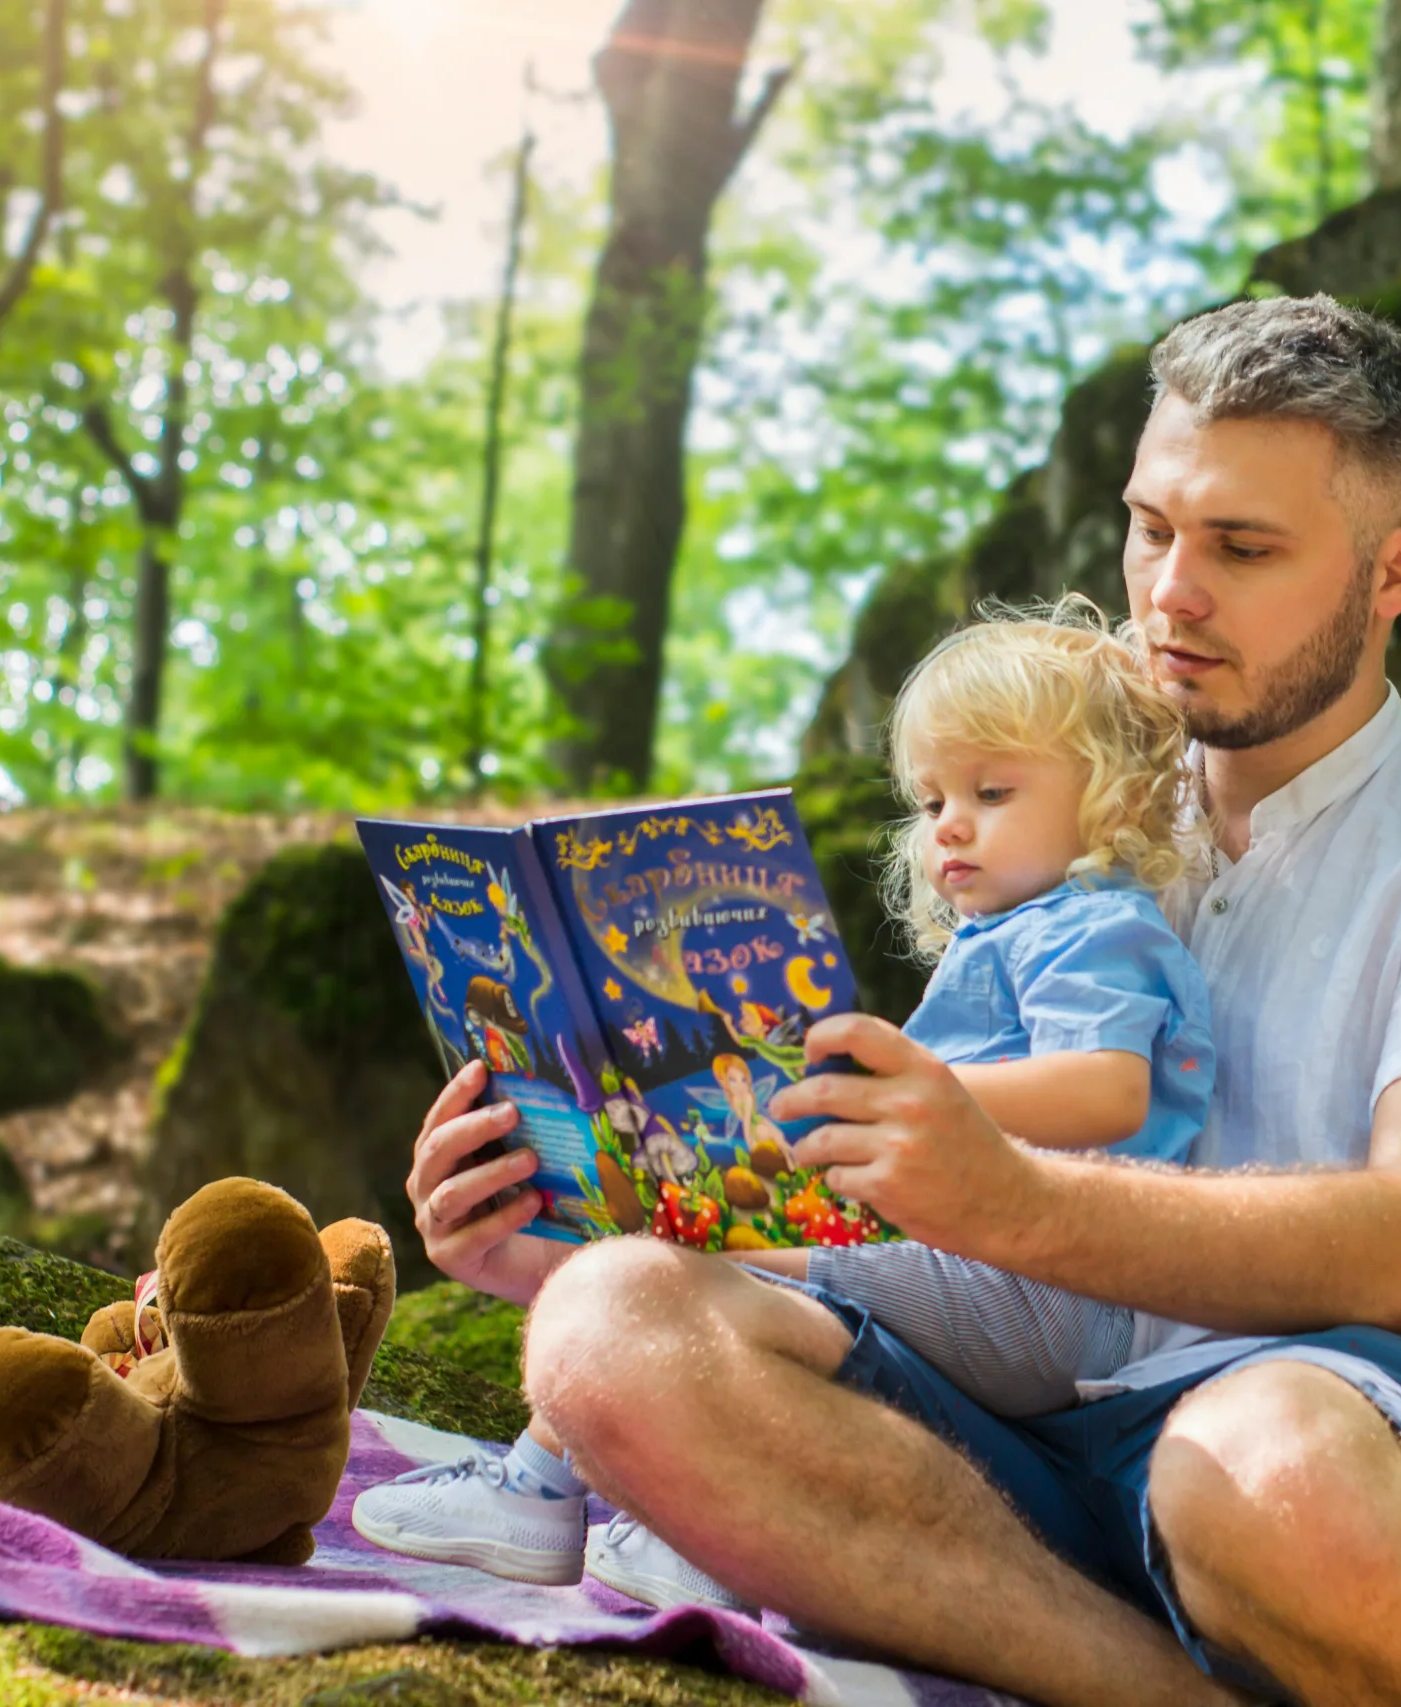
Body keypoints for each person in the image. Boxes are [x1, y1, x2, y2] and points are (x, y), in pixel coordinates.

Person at [408, 294, 1401, 1707]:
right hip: (1012, 1427)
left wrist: (1003, 1193)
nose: (1171, 588)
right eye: (1153, 525)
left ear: (1396, 570)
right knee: (609, 1320)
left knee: (1261, 1458)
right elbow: (924, 1215)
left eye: (1242, 545)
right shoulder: (1059, 798)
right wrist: (569, 1216)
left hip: (1333, 1433)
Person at [354, 606, 1217, 1592]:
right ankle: (641, 1516)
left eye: (992, 789)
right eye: (931, 801)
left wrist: (908, 1094)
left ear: (1117, 797)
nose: (952, 826)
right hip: (978, 1270)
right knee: (680, 1253)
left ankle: (563, 1500)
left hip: (1040, 1293)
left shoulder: (1096, 926)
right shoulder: (1018, 934)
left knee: (697, 1270)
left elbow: (1107, 1090)